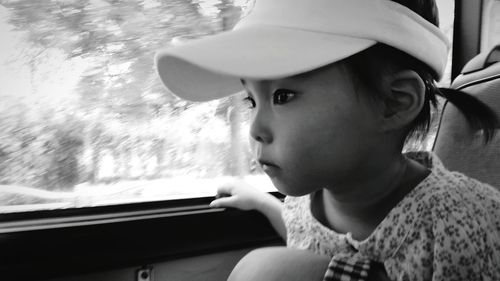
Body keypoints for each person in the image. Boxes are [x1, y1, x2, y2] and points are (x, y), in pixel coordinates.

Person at [155, 0, 500, 280]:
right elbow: (305, 234)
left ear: (395, 102)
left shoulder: (470, 222)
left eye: (284, 96)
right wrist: (262, 203)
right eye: (251, 101)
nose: (255, 128)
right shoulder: (306, 200)